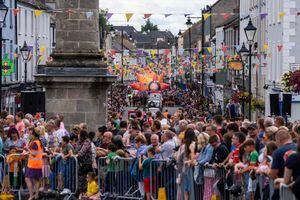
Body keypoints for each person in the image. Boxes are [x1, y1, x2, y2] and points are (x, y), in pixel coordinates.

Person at [269, 129, 296, 200]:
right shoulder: (297, 148)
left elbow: (272, 174)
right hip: (296, 187)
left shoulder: (278, 152)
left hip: (283, 188)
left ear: (278, 140)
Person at [24, 128, 44, 200]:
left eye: (31, 134)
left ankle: (31, 195)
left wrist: (27, 149)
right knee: (36, 180)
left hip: (33, 164)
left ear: (34, 135)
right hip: (38, 164)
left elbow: (34, 154)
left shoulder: (35, 142)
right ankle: (36, 195)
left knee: (27, 179)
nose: (30, 135)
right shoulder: (39, 142)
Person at [76, 130, 93, 196]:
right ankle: (81, 193)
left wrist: (77, 155)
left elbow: (82, 152)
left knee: (86, 179)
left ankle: (86, 193)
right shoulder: (79, 142)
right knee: (81, 179)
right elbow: (76, 150)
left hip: (87, 164)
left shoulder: (87, 142)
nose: (78, 135)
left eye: (79, 134)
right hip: (81, 164)